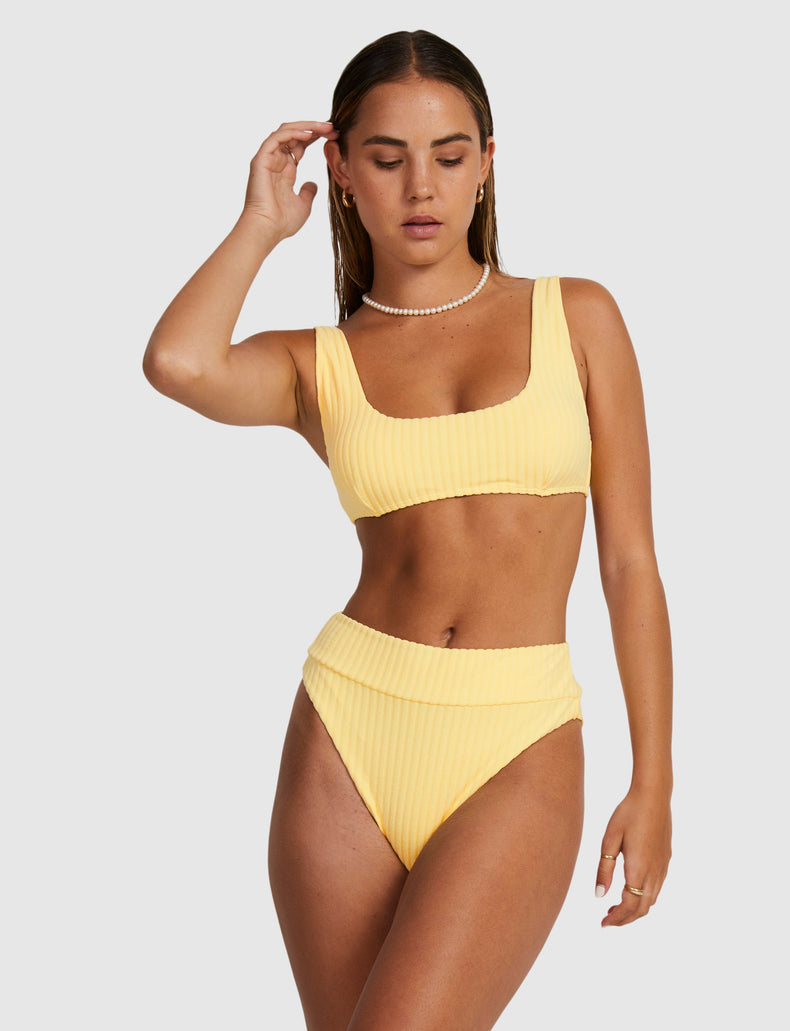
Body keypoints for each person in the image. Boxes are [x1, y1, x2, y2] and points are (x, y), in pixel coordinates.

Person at [143, 28, 672, 1031]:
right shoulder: (318, 362)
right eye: (386, 159)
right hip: (350, 726)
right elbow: (179, 362)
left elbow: (630, 561)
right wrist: (260, 225)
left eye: (449, 155)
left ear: (487, 162)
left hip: (517, 733)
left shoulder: (579, 318)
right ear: (342, 171)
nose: (421, 186)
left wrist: (655, 777)